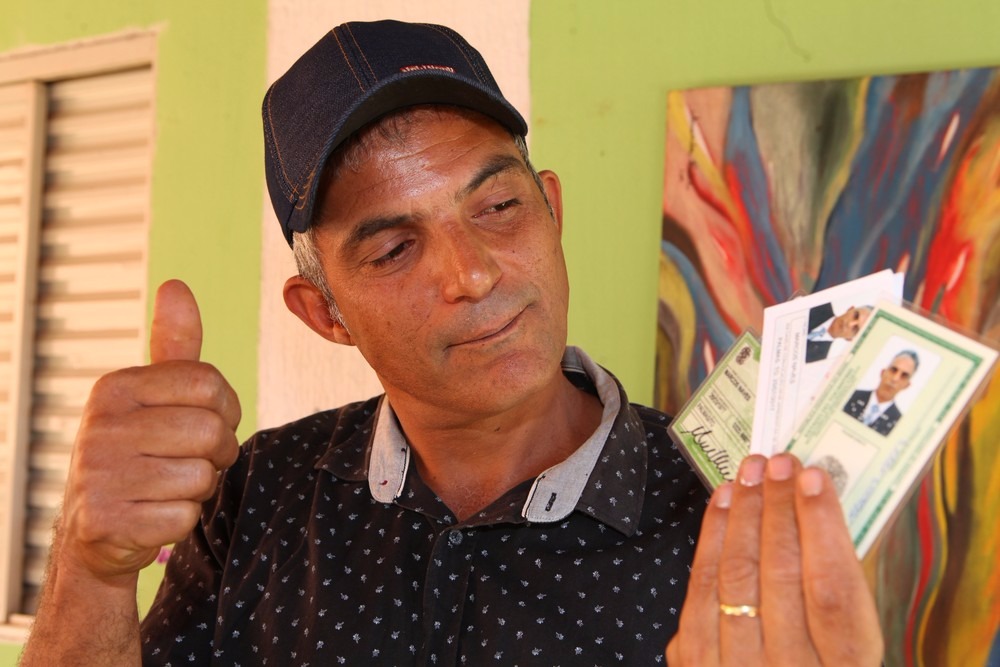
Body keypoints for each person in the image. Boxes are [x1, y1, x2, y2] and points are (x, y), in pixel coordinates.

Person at [20, 20, 883, 665]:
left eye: (499, 207)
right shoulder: (257, 497)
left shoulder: (732, 512)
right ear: (325, 314)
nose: (471, 273)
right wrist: (91, 571)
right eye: (395, 248)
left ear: (552, 210)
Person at [843, 350, 919, 436]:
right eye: (893, 370)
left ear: (907, 385)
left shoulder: (898, 424)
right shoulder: (849, 396)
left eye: (904, 376)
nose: (895, 378)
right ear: (883, 373)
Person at [805, 303, 872, 363]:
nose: (849, 324)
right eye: (855, 316)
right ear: (850, 309)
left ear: (850, 339)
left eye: (856, 329)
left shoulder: (816, 361)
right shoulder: (819, 302)